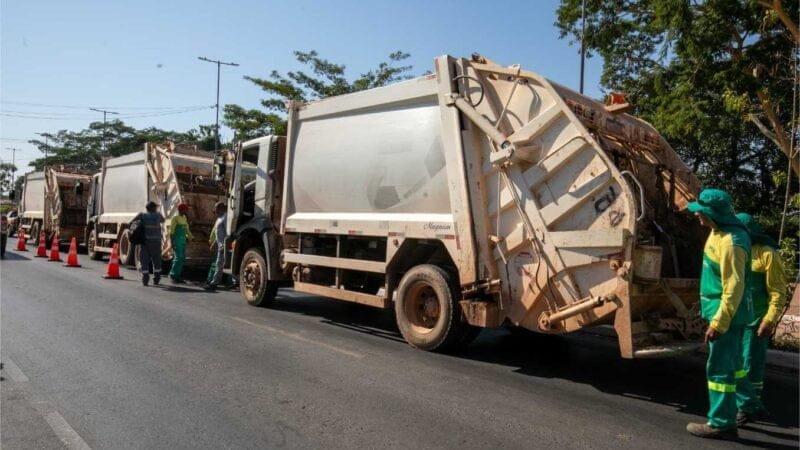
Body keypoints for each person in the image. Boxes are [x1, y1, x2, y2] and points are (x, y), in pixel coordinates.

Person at [685, 189, 753, 440]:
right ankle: (749, 405)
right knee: (733, 364)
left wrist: (719, 322)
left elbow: (734, 287)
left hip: (727, 315)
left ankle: (721, 423)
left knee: (719, 371)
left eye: (701, 212)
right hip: (729, 312)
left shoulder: (732, 243)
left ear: (713, 213)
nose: (697, 216)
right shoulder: (720, 232)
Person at [734, 213, 787, 425]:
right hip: (736, 318)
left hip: (756, 320)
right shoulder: (736, 251)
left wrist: (770, 319)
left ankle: (747, 408)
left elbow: (778, 292)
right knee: (736, 363)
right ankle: (749, 404)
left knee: (750, 364)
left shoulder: (767, 254)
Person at [132, 201, 165, 286]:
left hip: (146, 242)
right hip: (157, 242)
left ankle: (145, 277)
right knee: (156, 260)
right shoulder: (158, 215)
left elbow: (131, 223)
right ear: (153, 208)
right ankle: (156, 278)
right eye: (155, 207)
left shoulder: (142, 215)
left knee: (144, 260)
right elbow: (163, 220)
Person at [203, 202, 227, 290]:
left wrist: (225, 245)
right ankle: (215, 282)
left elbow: (228, 233)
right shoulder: (219, 218)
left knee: (219, 264)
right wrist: (214, 243)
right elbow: (218, 234)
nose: (215, 212)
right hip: (221, 245)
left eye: (216, 210)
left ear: (221, 208)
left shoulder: (226, 217)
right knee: (219, 264)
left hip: (225, 245)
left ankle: (214, 283)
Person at [168, 203, 193, 284]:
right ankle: (173, 275)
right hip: (177, 241)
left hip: (182, 241)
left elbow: (186, 229)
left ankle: (177, 276)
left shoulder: (184, 217)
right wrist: (172, 243)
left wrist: (191, 237)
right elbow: (171, 232)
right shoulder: (175, 218)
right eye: (185, 209)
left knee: (182, 258)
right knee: (178, 258)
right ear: (181, 210)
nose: (187, 211)